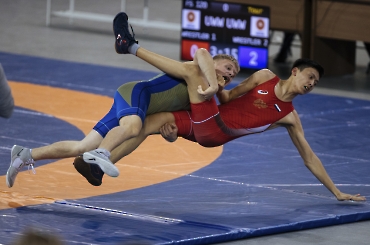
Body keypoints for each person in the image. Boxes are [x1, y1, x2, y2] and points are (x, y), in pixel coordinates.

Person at [75, 12, 365, 202]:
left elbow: (309, 157)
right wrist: (216, 88)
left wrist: (337, 192)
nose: (312, 83)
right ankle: (99, 164)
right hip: (205, 117)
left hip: (216, 130)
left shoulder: (289, 116)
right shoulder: (264, 76)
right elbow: (230, 96)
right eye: (310, 77)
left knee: (192, 71)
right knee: (152, 122)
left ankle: (131, 47)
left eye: (315, 82)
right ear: (295, 72)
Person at [5, 13, 239, 188]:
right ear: (216, 62)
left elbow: (176, 124)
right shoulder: (198, 67)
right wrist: (212, 85)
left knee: (82, 147)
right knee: (133, 127)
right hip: (136, 93)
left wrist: (170, 135)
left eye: (233, 75)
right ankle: (102, 155)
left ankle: (25, 155)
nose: (229, 75)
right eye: (227, 67)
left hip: (136, 105)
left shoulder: (204, 96)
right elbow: (202, 53)